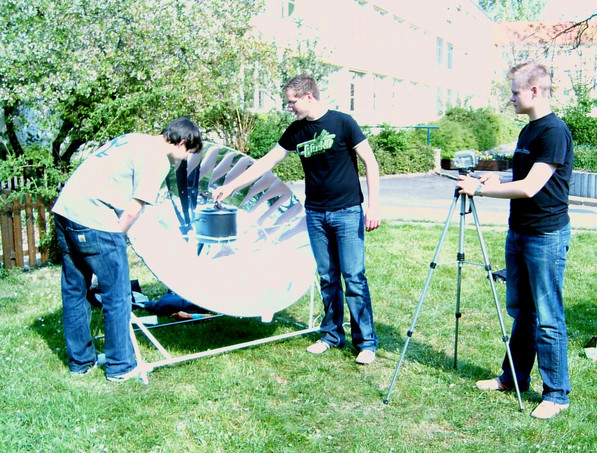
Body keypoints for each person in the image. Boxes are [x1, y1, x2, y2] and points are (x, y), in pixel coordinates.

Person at [213, 75, 381, 364]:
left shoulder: (343, 122)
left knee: (354, 278)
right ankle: (332, 335)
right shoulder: (296, 130)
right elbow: (266, 162)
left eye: (291, 102)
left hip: (347, 212)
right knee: (327, 278)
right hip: (315, 214)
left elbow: (370, 162)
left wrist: (373, 206)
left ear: (308, 97)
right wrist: (231, 186)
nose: (289, 107)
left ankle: (366, 342)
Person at [457, 62, 574, 419]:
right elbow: (521, 178)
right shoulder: (528, 131)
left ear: (534, 91)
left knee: (548, 318)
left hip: (545, 236)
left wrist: (479, 190)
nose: (511, 98)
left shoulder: (554, 132)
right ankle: (513, 378)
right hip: (519, 232)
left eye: (515, 92)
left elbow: (531, 187)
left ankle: (556, 394)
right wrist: (495, 182)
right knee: (522, 312)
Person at [52, 118, 203, 382]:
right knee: (117, 295)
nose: (185, 159)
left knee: (75, 290)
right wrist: (115, 238)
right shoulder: (158, 160)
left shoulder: (134, 138)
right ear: (181, 143)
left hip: (65, 210)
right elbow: (134, 209)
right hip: (94, 218)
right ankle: (120, 367)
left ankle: (81, 362)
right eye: (188, 153)